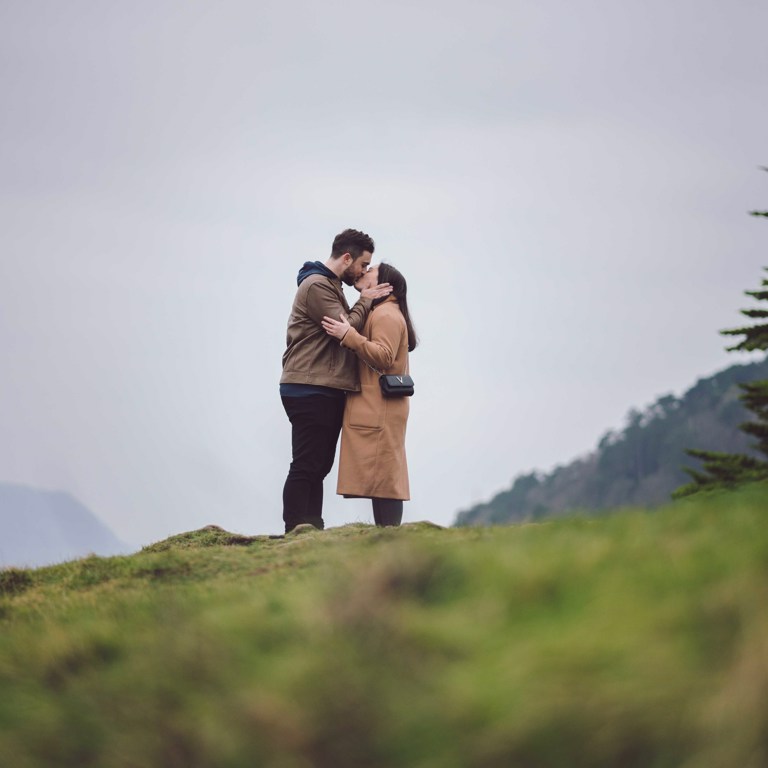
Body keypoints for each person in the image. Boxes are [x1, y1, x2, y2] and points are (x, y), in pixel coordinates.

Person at [279, 229, 392, 534]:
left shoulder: (328, 284)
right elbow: (343, 330)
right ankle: (295, 529)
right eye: (363, 264)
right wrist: (365, 301)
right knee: (306, 464)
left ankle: (311, 527)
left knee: (317, 466)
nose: (365, 271)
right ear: (347, 258)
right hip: (309, 386)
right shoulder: (317, 286)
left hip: (320, 386)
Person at [322, 263, 417, 526]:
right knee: (384, 476)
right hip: (380, 406)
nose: (363, 272)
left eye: (371, 270)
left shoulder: (386, 314)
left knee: (386, 478)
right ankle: (386, 536)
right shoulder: (384, 311)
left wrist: (348, 335)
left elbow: (384, 357)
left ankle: (389, 537)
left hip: (379, 407)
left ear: (386, 285)